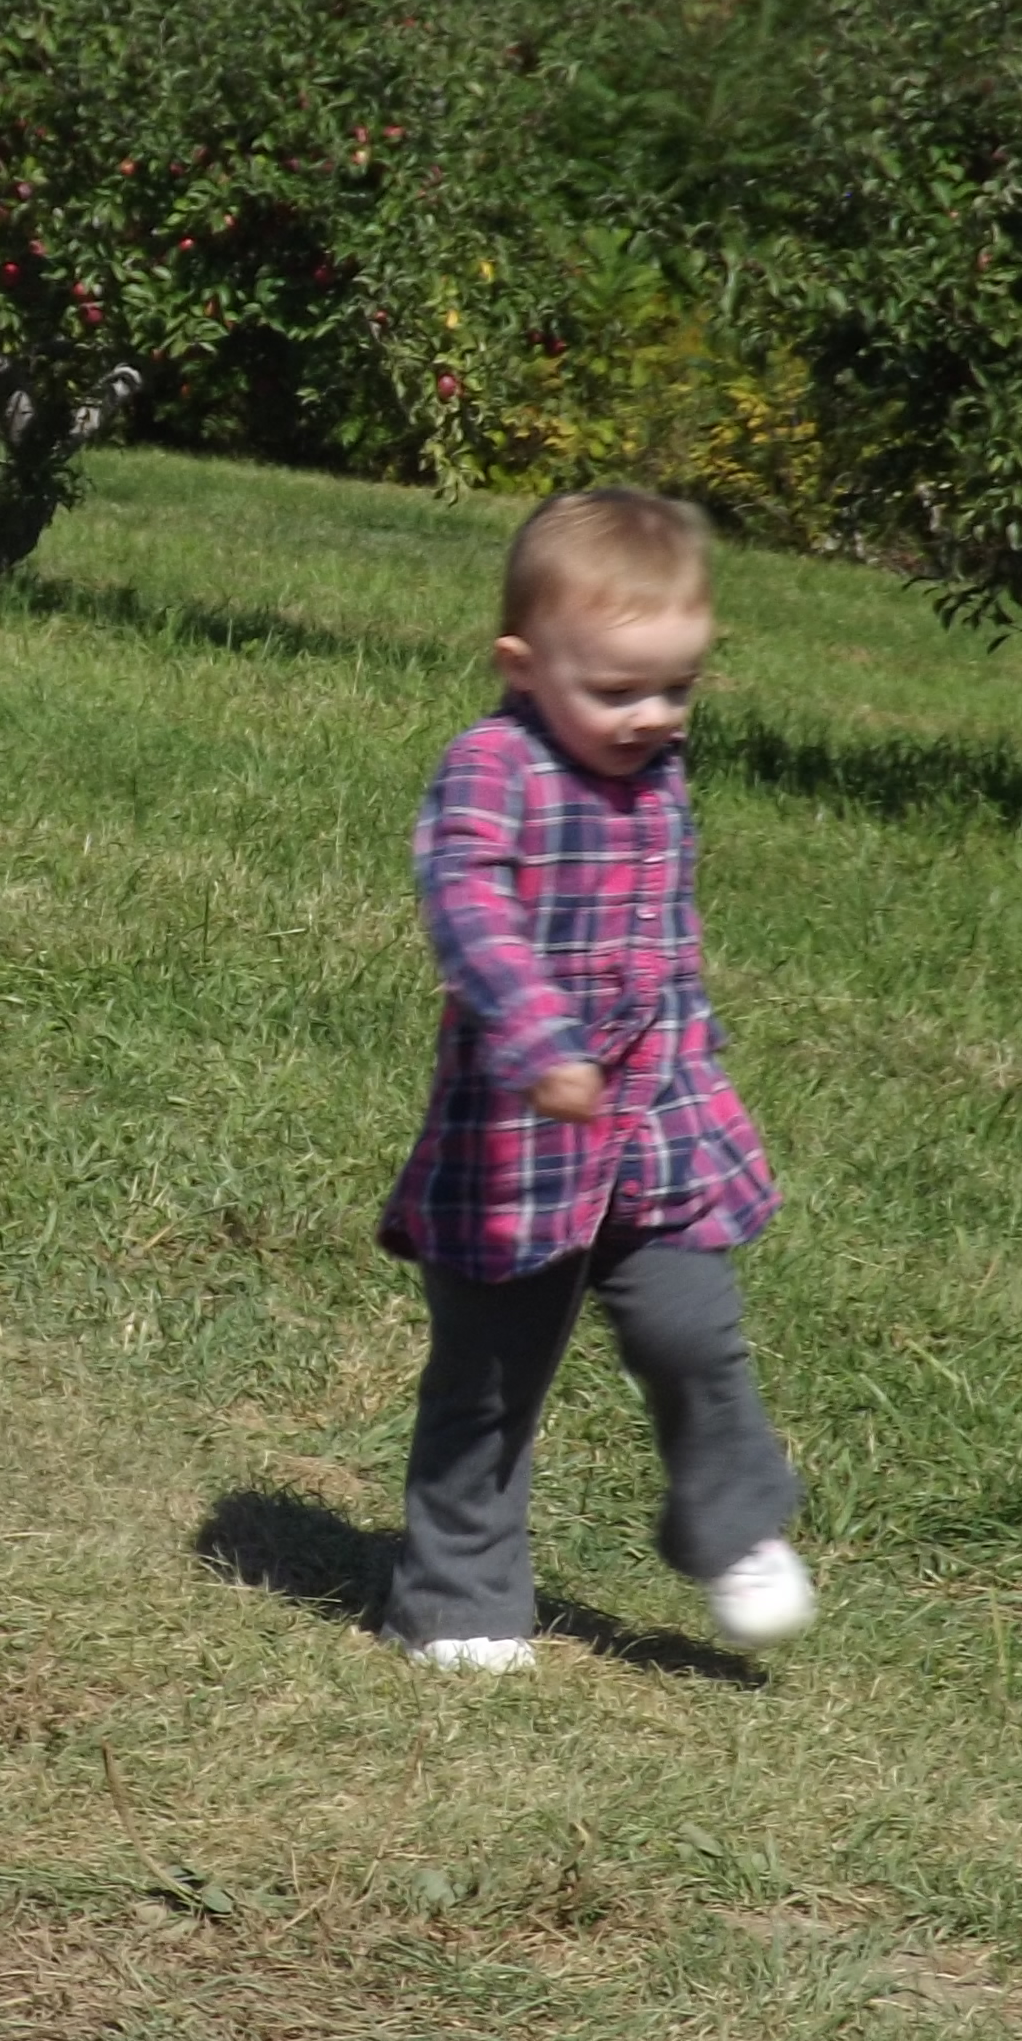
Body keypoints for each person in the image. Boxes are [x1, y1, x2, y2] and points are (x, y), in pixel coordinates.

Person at [379, 485, 812, 1671]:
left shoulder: (656, 769)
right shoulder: (492, 766)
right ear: (522, 665)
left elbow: (664, 941)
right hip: (519, 1130)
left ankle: (728, 1522)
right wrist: (538, 1043)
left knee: (692, 1330)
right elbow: (464, 902)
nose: (651, 717)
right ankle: (460, 1601)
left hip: (658, 1121)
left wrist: (695, 1064)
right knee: (490, 1377)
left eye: (677, 687)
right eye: (615, 690)